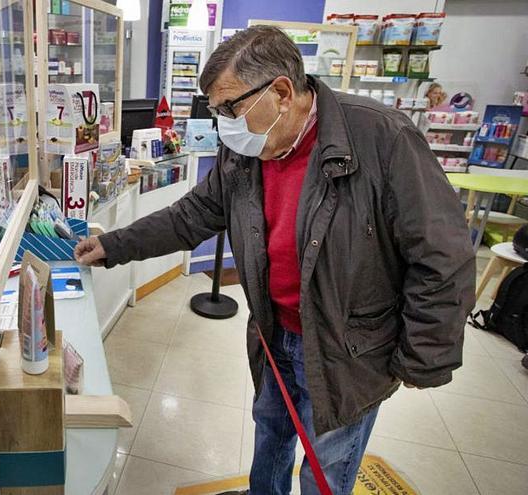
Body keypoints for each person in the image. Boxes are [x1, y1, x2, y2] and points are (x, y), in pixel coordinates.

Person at [75, 26, 475, 495]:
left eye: (229, 107)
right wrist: (116, 245)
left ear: (282, 92)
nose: (223, 122)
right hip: (275, 332)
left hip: (348, 349)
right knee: (271, 433)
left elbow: (443, 255)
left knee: (327, 461)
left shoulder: (382, 137)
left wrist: (422, 357)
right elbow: (196, 212)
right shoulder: (247, 150)